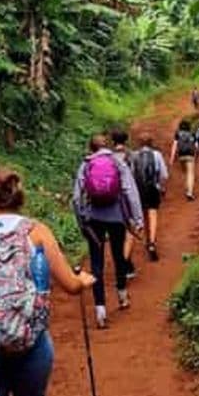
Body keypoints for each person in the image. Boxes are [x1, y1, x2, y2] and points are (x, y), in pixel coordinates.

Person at [0, 167, 96, 396]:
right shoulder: (36, 231)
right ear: (16, 197)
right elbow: (70, 286)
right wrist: (82, 280)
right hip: (31, 343)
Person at [73, 134, 143, 329]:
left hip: (93, 218)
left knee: (96, 263)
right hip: (117, 217)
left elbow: (77, 198)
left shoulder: (85, 165)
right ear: (108, 146)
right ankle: (121, 295)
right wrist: (137, 219)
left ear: (91, 148)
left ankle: (100, 310)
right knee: (118, 255)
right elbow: (130, 191)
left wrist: (82, 222)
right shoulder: (117, 162)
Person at [130, 135, 168, 261]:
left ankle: (146, 240)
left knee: (143, 215)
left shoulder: (133, 155)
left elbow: (130, 174)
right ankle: (151, 242)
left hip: (139, 190)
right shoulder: (157, 155)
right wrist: (162, 188)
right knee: (153, 214)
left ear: (139, 143)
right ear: (151, 142)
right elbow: (164, 175)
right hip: (152, 188)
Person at [110, 129, 138, 280]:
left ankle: (125, 263)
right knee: (130, 232)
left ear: (113, 140)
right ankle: (124, 263)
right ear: (126, 140)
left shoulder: (109, 156)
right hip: (127, 197)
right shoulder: (131, 155)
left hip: (111, 199)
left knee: (117, 233)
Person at [170, 119, 197, 201]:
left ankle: (187, 188)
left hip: (181, 156)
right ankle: (190, 192)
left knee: (185, 173)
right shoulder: (192, 134)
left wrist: (172, 158)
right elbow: (196, 146)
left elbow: (174, 146)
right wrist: (196, 155)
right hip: (190, 155)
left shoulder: (178, 134)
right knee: (190, 174)